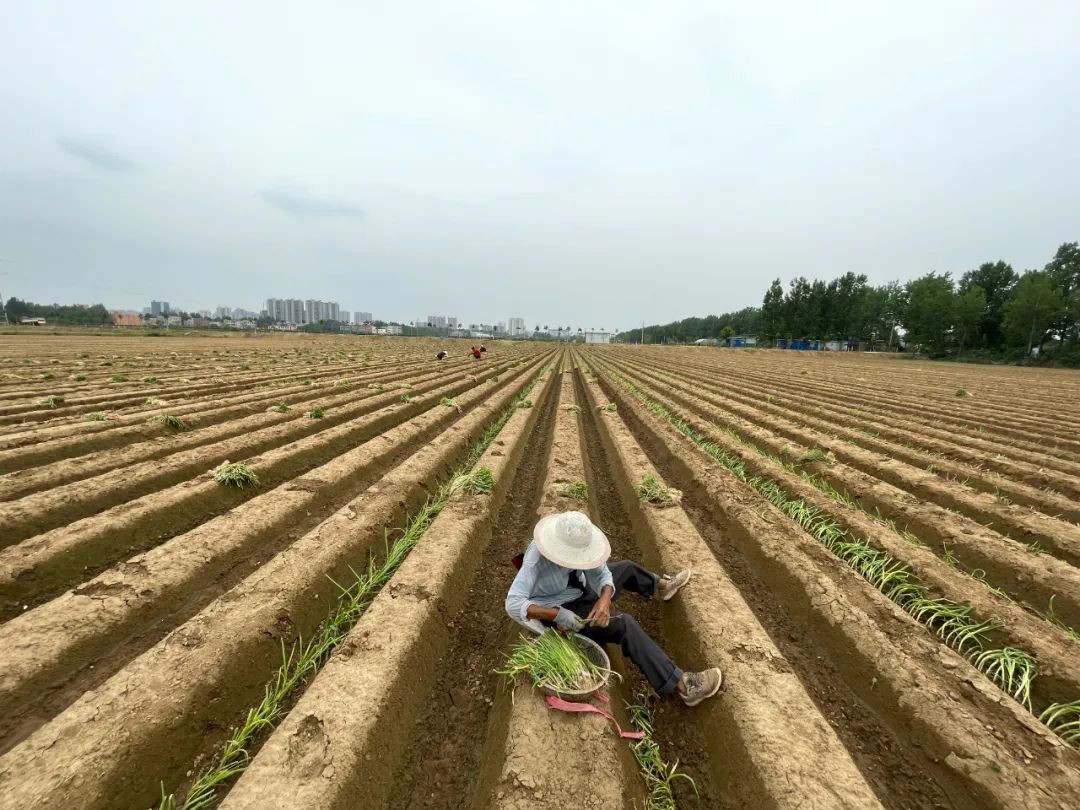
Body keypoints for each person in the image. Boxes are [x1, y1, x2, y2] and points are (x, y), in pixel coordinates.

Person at [505, 510, 722, 706]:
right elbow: (513, 603)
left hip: (582, 589)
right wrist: (557, 614)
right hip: (562, 606)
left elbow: (600, 573)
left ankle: (663, 585)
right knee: (625, 624)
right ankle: (683, 685)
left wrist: (605, 599)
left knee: (625, 567)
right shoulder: (536, 560)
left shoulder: (579, 548)